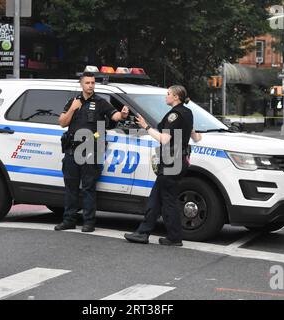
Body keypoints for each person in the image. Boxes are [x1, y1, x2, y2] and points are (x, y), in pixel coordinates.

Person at [124, 85, 201, 246]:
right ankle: (143, 233)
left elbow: (164, 139)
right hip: (180, 159)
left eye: (168, 94)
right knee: (156, 199)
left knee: (168, 200)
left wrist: (145, 126)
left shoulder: (174, 115)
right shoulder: (188, 112)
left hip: (171, 160)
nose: (166, 96)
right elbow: (196, 137)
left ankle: (174, 237)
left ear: (176, 97)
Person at [55, 72, 129, 232]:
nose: (90, 85)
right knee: (71, 187)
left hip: (90, 150)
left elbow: (114, 116)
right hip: (72, 149)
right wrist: (72, 109)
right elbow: (62, 123)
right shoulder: (72, 102)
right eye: (87, 82)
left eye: (93, 83)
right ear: (81, 84)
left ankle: (89, 222)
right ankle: (69, 220)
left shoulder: (100, 102)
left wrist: (122, 115)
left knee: (88, 187)